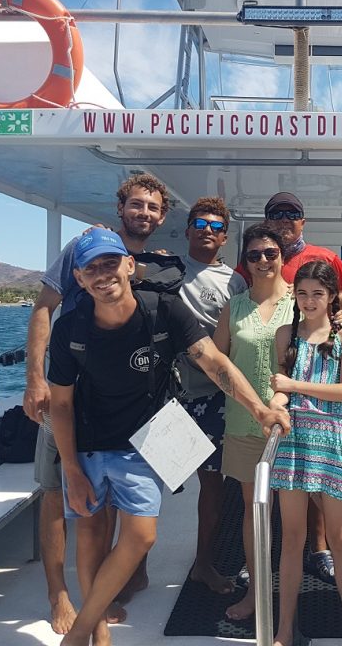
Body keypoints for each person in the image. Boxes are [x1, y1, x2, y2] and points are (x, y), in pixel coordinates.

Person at [48, 228, 290, 646]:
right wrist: (71, 468)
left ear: (129, 265)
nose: (103, 275)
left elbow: (216, 363)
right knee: (91, 534)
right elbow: (62, 405)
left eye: (111, 263)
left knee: (141, 535)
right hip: (87, 441)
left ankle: (80, 633)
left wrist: (260, 409)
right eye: (92, 269)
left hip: (144, 438)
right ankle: (99, 632)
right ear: (80, 278)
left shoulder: (164, 311)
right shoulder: (70, 327)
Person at [23, 173, 168, 633]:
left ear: (161, 217)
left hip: (128, 406)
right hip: (72, 394)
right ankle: (58, 594)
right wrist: (35, 378)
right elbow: (44, 307)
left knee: (117, 504)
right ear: (121, 206)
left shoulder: (151, 263)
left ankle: (111, 589)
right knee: (60, 492)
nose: (143, 213)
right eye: (136, 205)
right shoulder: (81, 248)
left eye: (152, 207)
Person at [269, 261, 342, 646]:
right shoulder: (283, 334)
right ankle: (284, 629)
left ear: (331, 296)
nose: (309, 301)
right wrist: (273, 406)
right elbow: (279, 388)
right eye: (302, 293)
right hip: (293, 440)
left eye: (318, 294)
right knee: (291, 538)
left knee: (340, 540)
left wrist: (292, 384)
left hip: (333, 440)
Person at [213, 224, 294, 621]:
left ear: (282, 256)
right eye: (254, 255)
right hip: (245, 425)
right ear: (244, 263)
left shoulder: (302, 302)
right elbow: (218, 363)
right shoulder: (235, 307)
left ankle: (291, 594)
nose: (263, 260)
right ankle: (259, 591)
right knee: (254, 509)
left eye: (271, 253)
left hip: (296, 424)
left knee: (297, 512)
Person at [175, 196, 249, 595]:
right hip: (166, 398)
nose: (208, 230)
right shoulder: (161, 267)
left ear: (225, 237)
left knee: (213, 485)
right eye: (200, 223)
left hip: (214, 398)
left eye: (217, 227)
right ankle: (133, 567)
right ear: (186, 229)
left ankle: (203, 564)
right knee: (150, 486)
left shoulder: (234, 282)